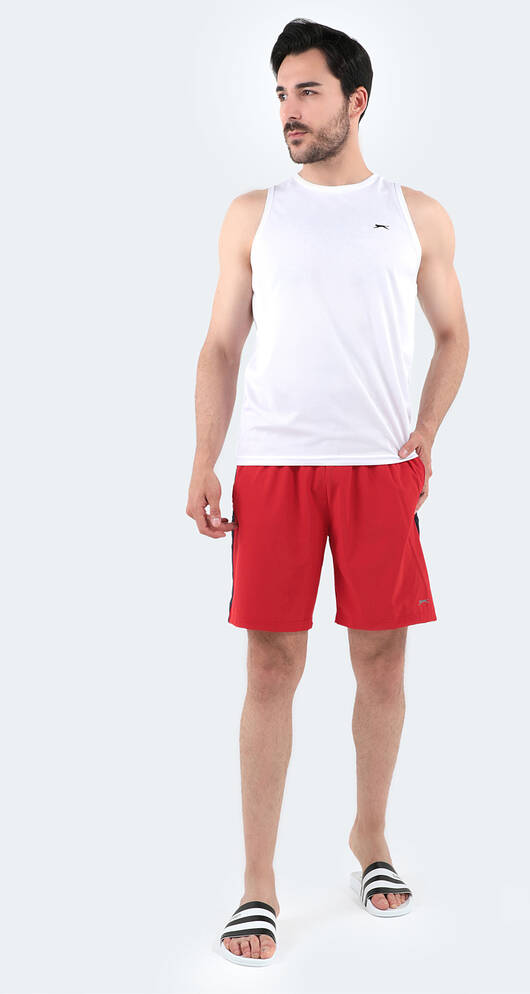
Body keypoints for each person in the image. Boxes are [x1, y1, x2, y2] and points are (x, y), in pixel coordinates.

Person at [186, 18, 469, 966]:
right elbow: (219, 345)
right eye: (279, 94)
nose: (288, 111)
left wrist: (426, 430)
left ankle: (369, 837)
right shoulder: (251, 213)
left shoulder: (416, 213)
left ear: (356, 101)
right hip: (273, 466)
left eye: (306, 91)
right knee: (270, 668)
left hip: (379, 470)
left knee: (381, 663)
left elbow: (454, 334)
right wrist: (204, 457)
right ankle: (257, 881)